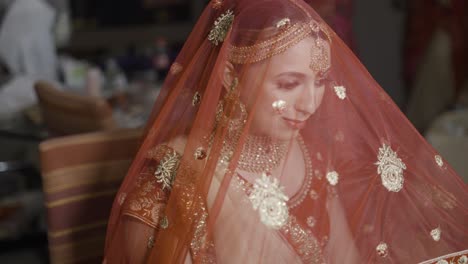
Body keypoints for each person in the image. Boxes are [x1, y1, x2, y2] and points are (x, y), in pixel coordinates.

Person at [104, 0, 468, 263]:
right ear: (230, 76)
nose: (310, 104)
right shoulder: (172, 179)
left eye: (321, 82)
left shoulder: (312, 156)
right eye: (289, 83)